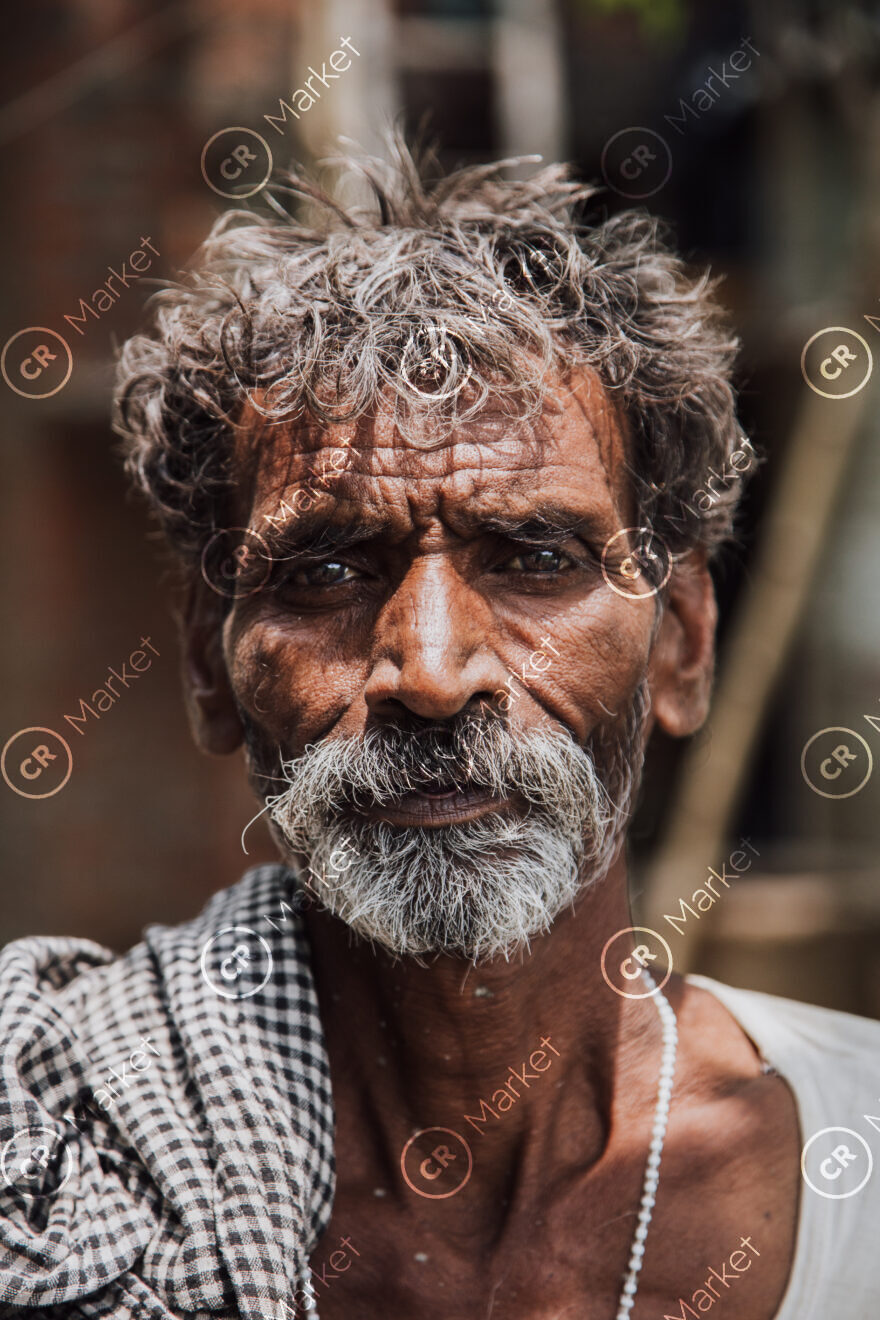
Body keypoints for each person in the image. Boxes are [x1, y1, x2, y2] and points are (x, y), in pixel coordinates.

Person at [1, 139, 877, 1320]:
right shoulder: (53, 1161)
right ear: (213, 662)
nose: (428, 669)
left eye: (534, 559)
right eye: (325, 568)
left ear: (679, 641)